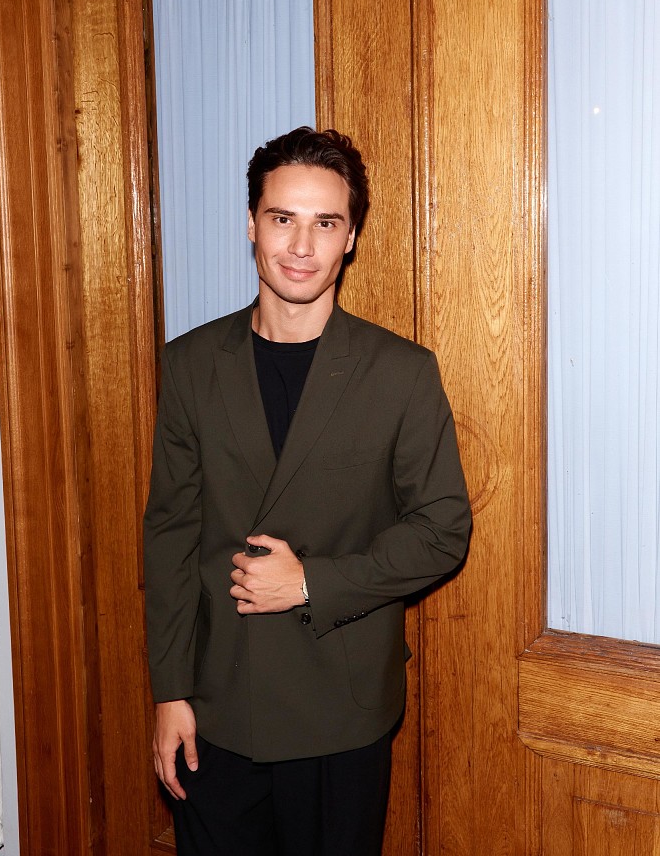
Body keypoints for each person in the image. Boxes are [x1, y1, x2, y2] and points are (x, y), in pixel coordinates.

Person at [144, 126, 471, 856]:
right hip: (215, 705)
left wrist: (309, 584)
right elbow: (170, 537)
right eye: (281, 218)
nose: (300, 245)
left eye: (324, 223)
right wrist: (169, 691)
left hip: (339, 708)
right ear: (251, 225)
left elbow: (442, 528)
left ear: (350, 237)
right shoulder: (191, 364)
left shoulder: (401, 372)